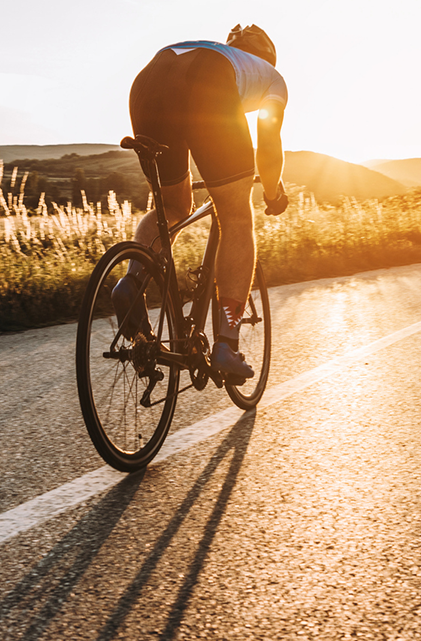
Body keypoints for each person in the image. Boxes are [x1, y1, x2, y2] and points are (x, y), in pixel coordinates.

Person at [113, 24, 289, 382]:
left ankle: (131, 282)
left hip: (148, 83)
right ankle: (227, 343)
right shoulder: (271, 76)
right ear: (267, 56)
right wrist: (273, 193)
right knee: (237, 217)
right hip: (208, 86)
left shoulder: (211, 50)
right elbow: (268, 144)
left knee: (175, 207)